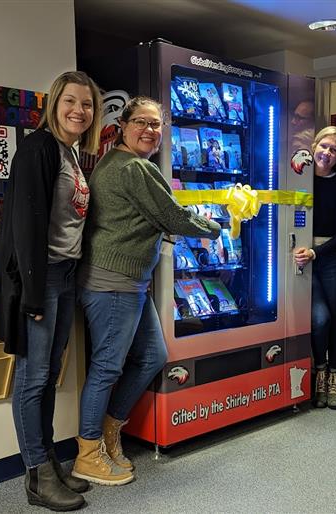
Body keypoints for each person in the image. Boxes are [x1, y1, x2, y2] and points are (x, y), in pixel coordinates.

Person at [72, 96, 221, 485]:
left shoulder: (116, 162)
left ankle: (108, 432)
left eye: (156, 125)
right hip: (114, 282)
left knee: (153, 354)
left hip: (126, 281)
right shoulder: (136, 167)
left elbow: (151, 217)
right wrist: (219, 226)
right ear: (123, 124)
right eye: (141, 122)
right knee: (107, 366)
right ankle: (87, 453)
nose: (150, 130)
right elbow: (171, 216)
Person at [0, 71, 102, 510]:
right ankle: (37, 475)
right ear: (54, 104)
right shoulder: (37, 148)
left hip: (65, 275)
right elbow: (25, 226)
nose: (79, 110)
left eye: (88, 104)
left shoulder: (70, 153)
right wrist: (35, 295)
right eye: (71, 101)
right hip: (42, 280)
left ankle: (50, 462)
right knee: (33, 378)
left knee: (48, 374)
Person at [294, 126, 336, 410]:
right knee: (319, 319)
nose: (327, 153)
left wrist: (315, 252)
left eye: (334, 150)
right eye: (324, 146)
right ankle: (319, 371)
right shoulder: (299, 179)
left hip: (329, 260)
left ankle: (333, 378)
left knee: (333, 318)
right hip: (303, 258)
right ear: (314, 145)